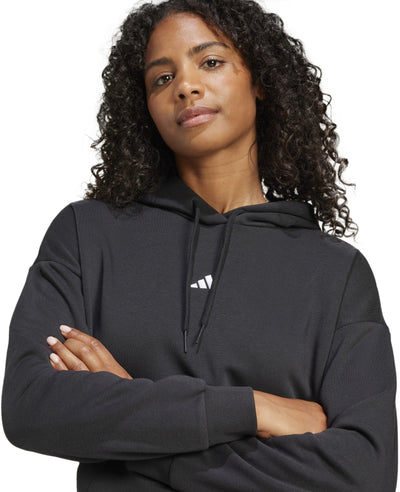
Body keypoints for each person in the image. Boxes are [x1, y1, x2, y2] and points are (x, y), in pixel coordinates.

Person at [1, 0, 397, 490]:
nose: (185, 86)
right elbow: (30, 404)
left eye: (210, 62)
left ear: (260, 79)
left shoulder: (335, 272)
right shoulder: (87, 235)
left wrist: (137, 428)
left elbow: (364, 473)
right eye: (161, 78)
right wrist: (255, 409)